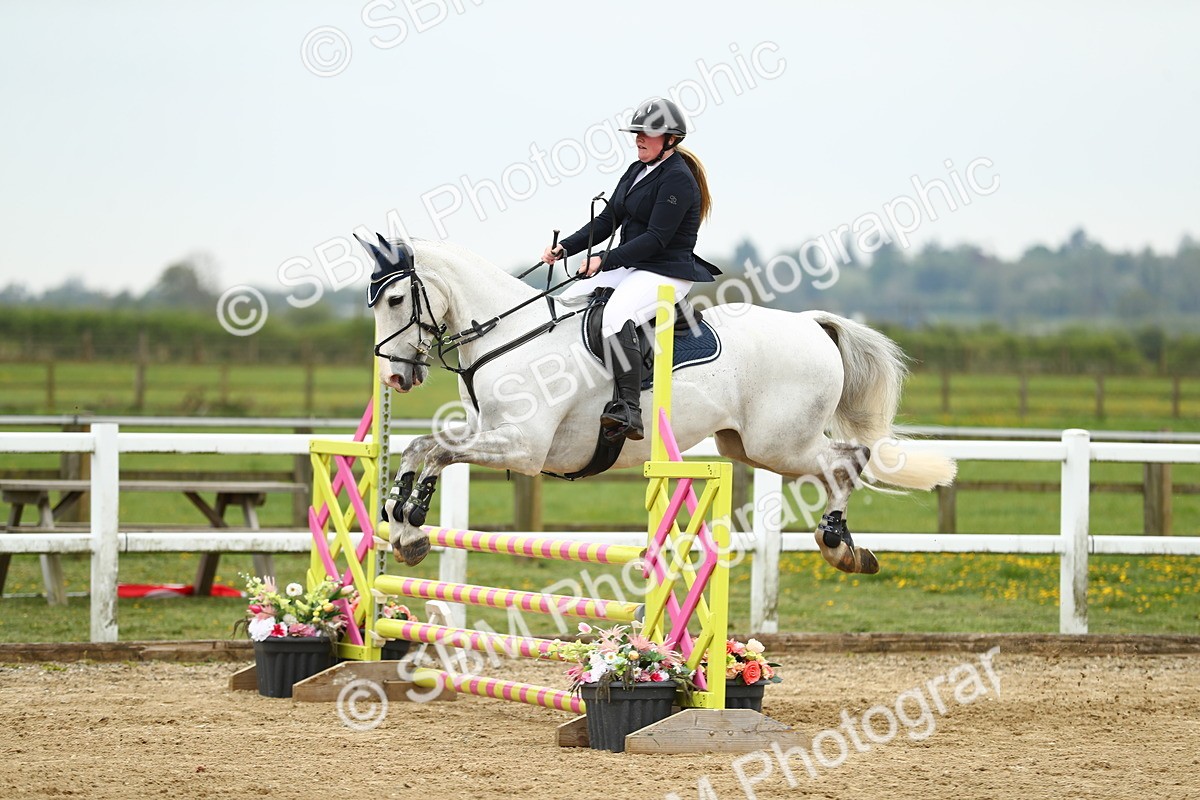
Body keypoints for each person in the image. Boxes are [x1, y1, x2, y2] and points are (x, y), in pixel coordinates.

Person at [542, 97, 719, 442]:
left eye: (647, 134)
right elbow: (608, 220)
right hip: (635, 265)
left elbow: (655, 238)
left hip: (666, 271)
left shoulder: (679, 180)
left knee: (615, 315)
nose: (638, 138)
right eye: (636, 132)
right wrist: (566, 247)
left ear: (670, 139)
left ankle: (628, 409)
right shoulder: (638, 169)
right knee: (568, 300)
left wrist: (603, 261)